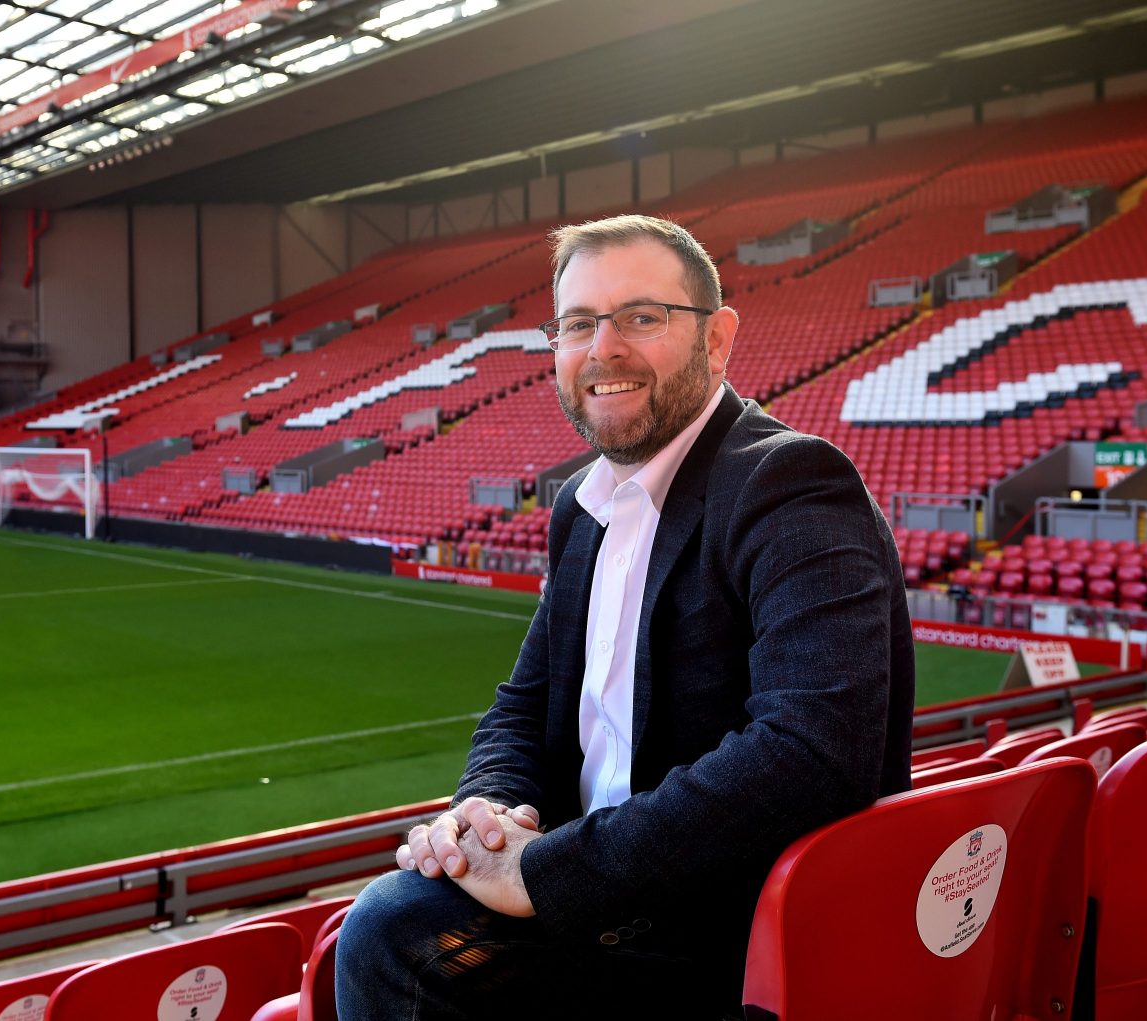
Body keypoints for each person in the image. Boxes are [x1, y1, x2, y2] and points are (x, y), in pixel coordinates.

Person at [335, 214, 915, 1019]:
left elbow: (816, 751)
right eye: (578, 324)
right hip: (611, 916)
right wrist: (490, 817)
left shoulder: (791, 482)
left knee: (391, 934)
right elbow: (525, 703)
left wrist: (548, 873)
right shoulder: (581, 506)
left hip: (724, 931)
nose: (603, 349)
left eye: (642, 317)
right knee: (396, 916)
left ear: (717, 339)